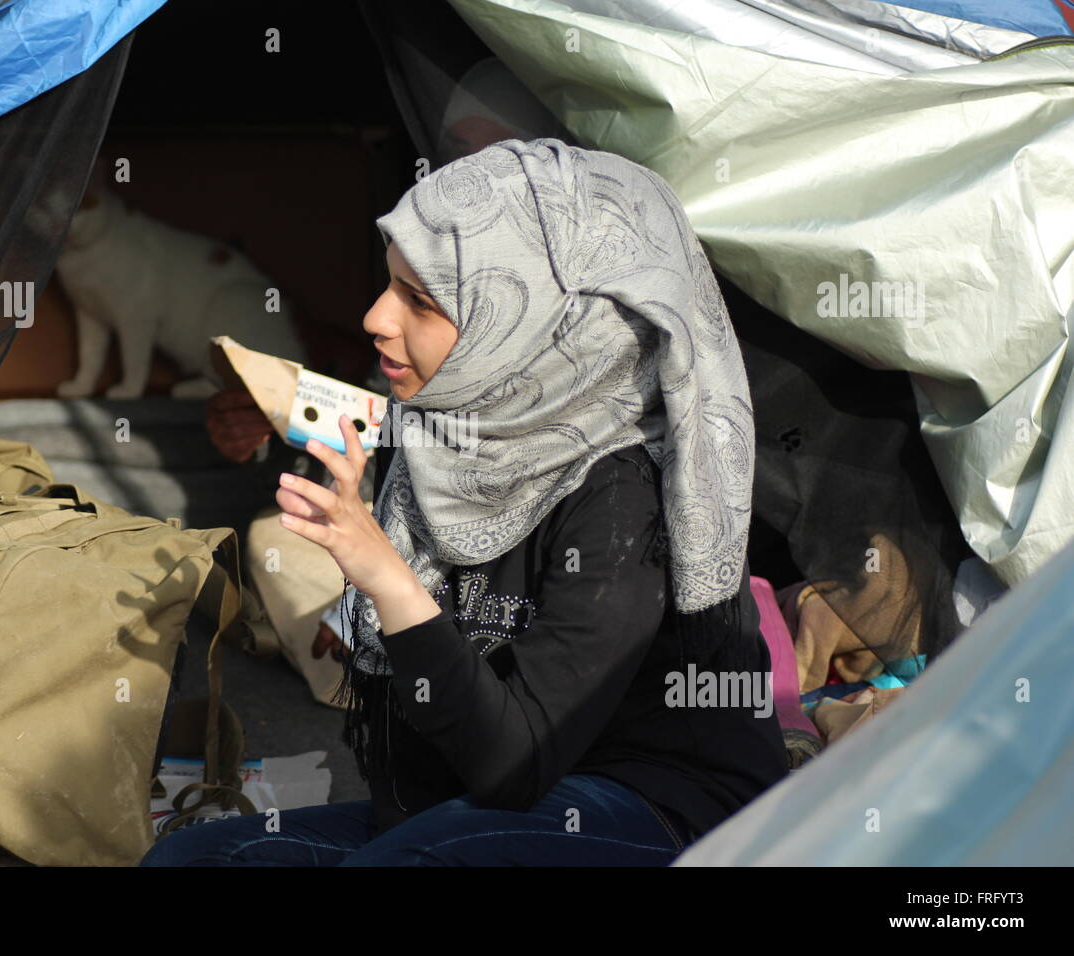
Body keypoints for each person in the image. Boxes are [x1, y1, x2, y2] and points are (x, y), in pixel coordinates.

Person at [142, 138, 788, 867]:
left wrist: (385, 576)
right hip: (469, 803)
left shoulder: (623, 495)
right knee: (190, 861)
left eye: (421, 301)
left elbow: (514, 762)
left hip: (653, 814)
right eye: (389, 284)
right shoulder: (441, 430)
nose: (376, 318)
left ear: (538, 323)